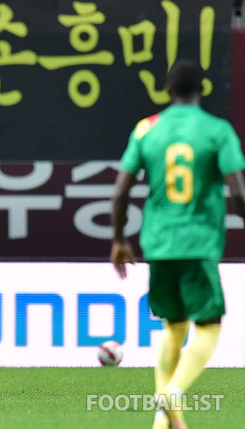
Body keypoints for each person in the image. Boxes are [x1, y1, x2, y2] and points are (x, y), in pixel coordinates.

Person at [110, 59, 245, 429]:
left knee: (173, 326)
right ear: (201, 90)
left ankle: (163, 419)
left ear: (167, 91)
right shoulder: (218, 131)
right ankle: (172, 394)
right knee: (209, 325)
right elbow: (237, 188)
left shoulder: (146, 129)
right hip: (199, 242)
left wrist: (120, 239)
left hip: (158, 244)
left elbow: (120, 191)